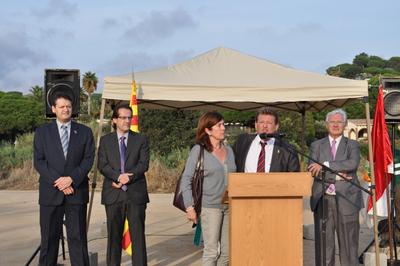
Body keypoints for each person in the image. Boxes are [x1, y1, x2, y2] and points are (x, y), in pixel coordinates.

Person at [33, 93, 95, 266]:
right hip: (50, 194)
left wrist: (71, 179)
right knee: (49, 240)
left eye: (68, 106)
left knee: (78, 239)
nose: (65, 109)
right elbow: (39, 161)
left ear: (72, 108)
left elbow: (88, 159)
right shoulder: (42, 132)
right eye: (61, 106)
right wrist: (60, 182)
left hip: (76, 193)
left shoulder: (84, 132)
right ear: (53, 109)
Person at [308, 108, 362, 266]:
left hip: (347, 200)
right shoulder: (316, 145)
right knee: (324, 246)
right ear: (327, 124)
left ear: (345, 124)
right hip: (322, 199)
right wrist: (338, 175)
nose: (336, 125)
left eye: (339, 122)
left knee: (349, 246)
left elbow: (352, 163)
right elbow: (313, 169)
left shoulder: (352, 144)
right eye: (332, 121)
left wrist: (325, 165)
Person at [181, 111, 236, 266]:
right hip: (210, 208)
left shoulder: (229, 150)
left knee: (227, 253)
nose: (223, 128)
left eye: (223, 124)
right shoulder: (198, 151)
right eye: (219, 125)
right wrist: (189, 207)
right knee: (211, 252)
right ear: (207, 130)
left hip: (230, 207)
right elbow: (186, 179)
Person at [98, 103, 150, 266]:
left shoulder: (141, 139)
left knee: (138, 238)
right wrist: (118, 177)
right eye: (123, 117)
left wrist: (129, 178)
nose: (127, 121)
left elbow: (144, 164)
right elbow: (102, 164)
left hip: (136, 194)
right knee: (113, 238)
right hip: (113, 195)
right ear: (114, 120)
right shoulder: (105, 141)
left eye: (130, 117)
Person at [233, 107, 300, 173]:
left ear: (276, 126)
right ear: (256, 125)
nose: (265, 126)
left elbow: (294, 178)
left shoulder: (287, 150)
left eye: (269, 123)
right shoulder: (242, 142)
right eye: (261, 122)